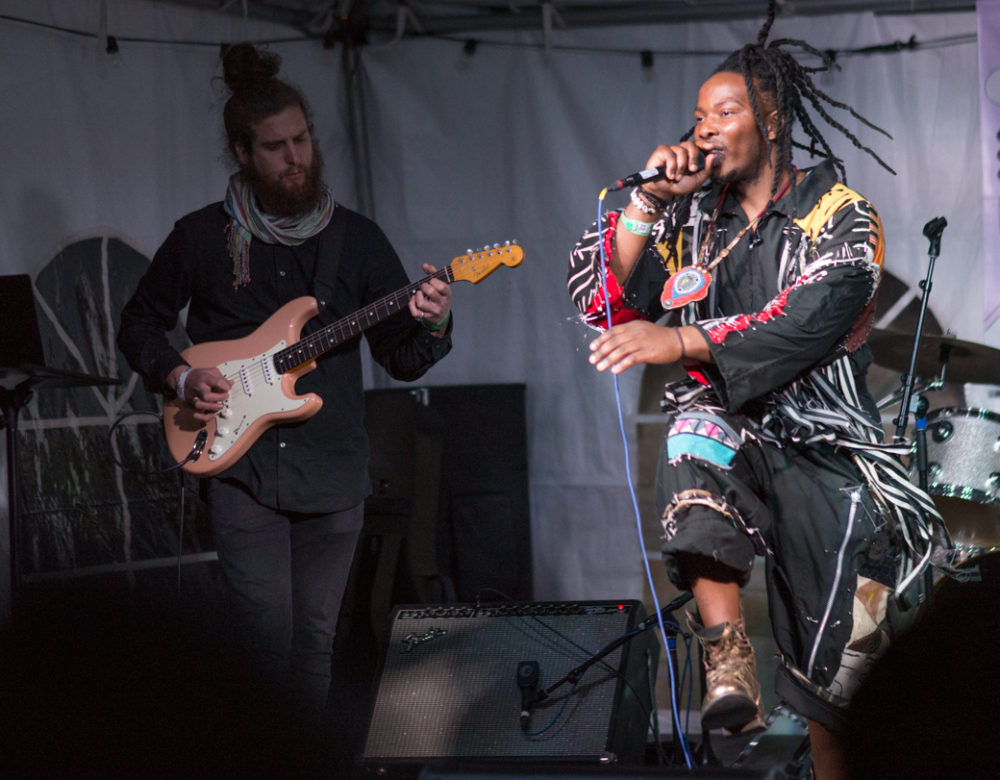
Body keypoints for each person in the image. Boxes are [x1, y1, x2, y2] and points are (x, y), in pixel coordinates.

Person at [567, 5, 946, 778]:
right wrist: (648, 201)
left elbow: (805, 319)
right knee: (692, 426)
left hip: (832, 454)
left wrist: (678, 339)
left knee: (835, 680)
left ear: (770, 120)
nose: (706, 128)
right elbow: (603, 301)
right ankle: (728, 658)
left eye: (727, 111)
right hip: (736, 434)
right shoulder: (690, 220)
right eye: (700, 114)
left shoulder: (840, 215)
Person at [118, 43, 453, 717]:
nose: (296, 157)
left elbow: (402, 357)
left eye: (302, 139)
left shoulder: (356, 241)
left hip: (331, 469)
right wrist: (182, 377)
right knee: (262, 642)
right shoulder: (201, 238)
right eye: (276, 147)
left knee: (314, 644)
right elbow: (138, 327)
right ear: (243, 153)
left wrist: (433, 321)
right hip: (241, 467)